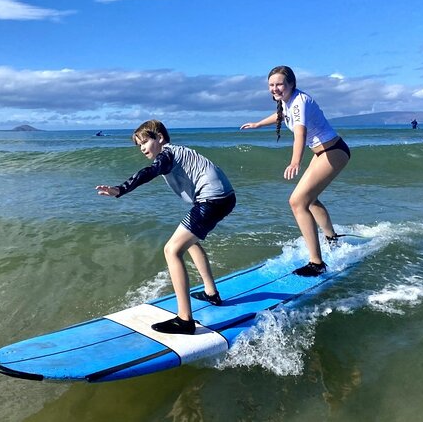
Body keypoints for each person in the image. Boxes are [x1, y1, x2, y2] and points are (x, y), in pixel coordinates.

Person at [96, 119, 236, 335]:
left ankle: (184, 320)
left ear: (159, 138)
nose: (142, 148)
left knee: (171, 250)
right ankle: (211, 293)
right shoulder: (178, 152)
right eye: (138, 145)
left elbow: (149, 172)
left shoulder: (167, 154)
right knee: (190, 242)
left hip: (212, 200)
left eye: (144, 141)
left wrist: (120, 189)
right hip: (224, 198)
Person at [240, 65, 350, 277]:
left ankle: (316, 262)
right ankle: (332, 238)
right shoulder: (287, 102)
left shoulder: (300, 102)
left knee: (297, 201)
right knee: (310, 200)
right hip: (325, 152)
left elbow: (300, 133)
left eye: (279, 84)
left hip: (333, 151)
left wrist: (295, 162)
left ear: (292, 84)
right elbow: (281, 116)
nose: (275, 88)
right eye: (271, 85)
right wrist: (258, 124)